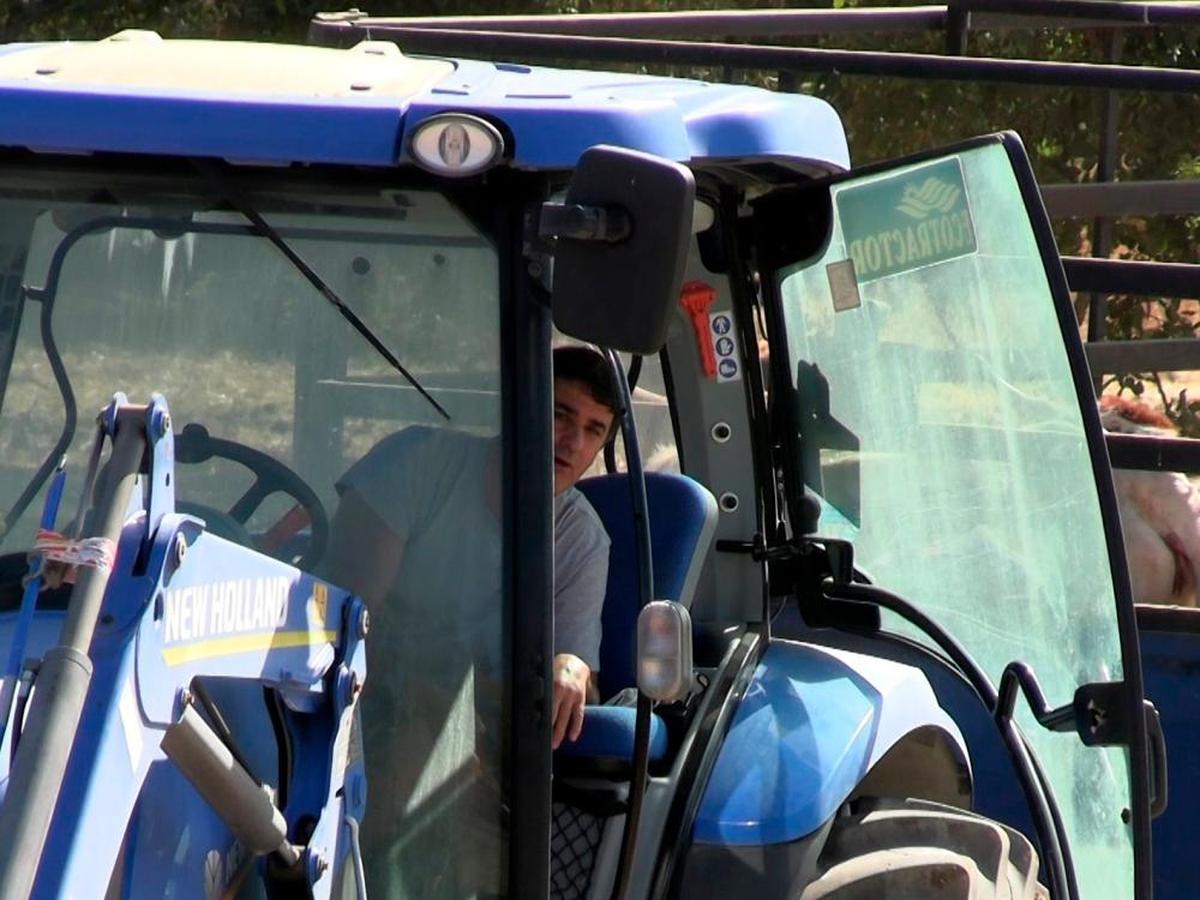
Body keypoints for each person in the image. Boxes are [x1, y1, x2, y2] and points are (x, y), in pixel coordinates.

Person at [322, 344, 616, 898]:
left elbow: (576, 667)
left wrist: (570, 669)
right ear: (520, 407)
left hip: (473, 721)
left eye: (594, 430)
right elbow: (348, 616)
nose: (573, 442)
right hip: (361, 690)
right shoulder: (421, 463)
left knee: (432, 737)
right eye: (560, 414)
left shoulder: (581, 538)